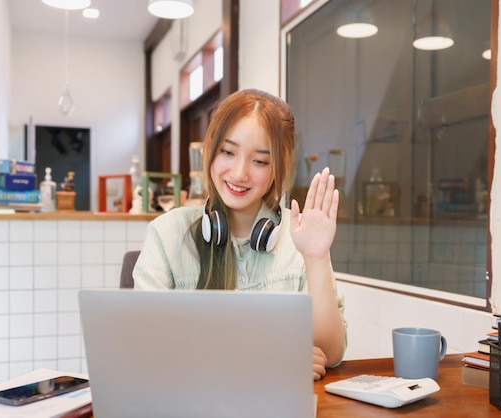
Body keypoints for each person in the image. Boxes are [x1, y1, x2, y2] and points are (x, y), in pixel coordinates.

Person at [133, 88, 346, 380]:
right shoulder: (167, 234)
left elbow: (329, 355)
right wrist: (266, 356)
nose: (239, 173)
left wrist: (316, 257)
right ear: (211, 150)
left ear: (277, 169)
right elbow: (145, 347)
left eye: (260, 161)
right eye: (228, 152)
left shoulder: (298, 240)